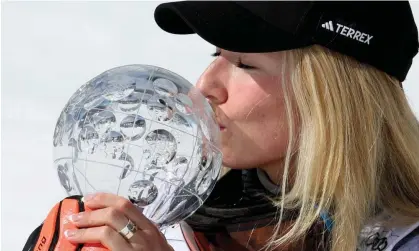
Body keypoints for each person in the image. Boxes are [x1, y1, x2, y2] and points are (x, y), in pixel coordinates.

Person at [23, 1, 419, 251]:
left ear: (333, 96)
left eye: (244, 64)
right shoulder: (189, 216)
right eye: (216, 54)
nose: (204, 86)